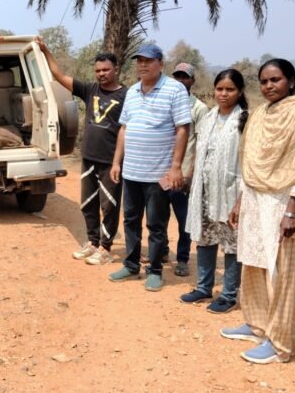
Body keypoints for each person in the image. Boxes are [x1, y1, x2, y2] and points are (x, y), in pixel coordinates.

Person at [221, 59, 295, 364]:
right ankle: (257, 324)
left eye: (275, 80)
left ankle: (279, 342)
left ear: (291, 81)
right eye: (263, 81)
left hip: (285, 201)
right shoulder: (260, 114)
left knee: (283, 271)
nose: (269, 86)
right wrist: (240, 200)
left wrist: (292, 210)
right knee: (253, 262)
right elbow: (249, 162)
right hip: (256, 198)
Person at [36, 37, 127, 265]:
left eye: (106, 70)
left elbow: (127, 130)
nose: (101, 74)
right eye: (98, 70)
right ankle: (93, 243)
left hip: (110, 162)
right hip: (89, 158)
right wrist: (46, 51)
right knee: (88, 204)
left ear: (116, 69)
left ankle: (105, 248)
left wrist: (118, 162)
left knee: (109, 206)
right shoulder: (90, 89)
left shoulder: (127, 96)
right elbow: (59, 76)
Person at [108, 44, 191, 292]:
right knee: (130, 220)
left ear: (160, 63)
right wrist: (116, 162)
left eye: (148, 60)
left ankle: (154, 270)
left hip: (158, 174)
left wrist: (176, 167)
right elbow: (124, 128)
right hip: (132, 172)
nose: (142, 65)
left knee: (156, 223)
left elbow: (182, 129)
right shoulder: (132, 92)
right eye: (139, 61)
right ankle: (131, 265)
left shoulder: (175, 89)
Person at [180, 69, 248, 313]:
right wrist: (190, 177)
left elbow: (249, 162)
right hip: (205, 191)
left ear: (239, 92)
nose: (223, 94)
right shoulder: (208, 117)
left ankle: (229, 295)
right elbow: (199, 151)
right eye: (220, 89)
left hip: (231, 193)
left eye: (230, 89)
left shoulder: (245, 120)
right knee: (205, 238)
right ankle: (203, 287)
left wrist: (241, 198)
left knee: (231, 244)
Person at [161, 62, 210, 277]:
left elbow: (201, 144)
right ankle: (162, 251)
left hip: (184, 174)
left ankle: (182, 259)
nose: (181, 81)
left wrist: (191, 174)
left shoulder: (199, 108)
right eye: (177, 76)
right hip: (162, 172)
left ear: (192, 81)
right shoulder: (165, 102)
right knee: (159, 215)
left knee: (184, 219)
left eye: (185, 77)